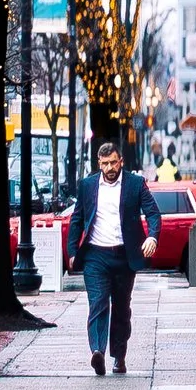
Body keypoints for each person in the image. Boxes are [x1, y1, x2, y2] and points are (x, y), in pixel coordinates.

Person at [65, 140, 164, 376]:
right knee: (98, 303)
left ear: (121, 161)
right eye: (105, 163)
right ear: (99, 163)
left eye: (114, 162)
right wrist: (71, 252)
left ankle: (119, 356)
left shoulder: (135, 184)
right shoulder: (87, 185)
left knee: (121, 308)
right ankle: (97, 351)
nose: (110, 167)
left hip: (124, 256)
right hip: (95, 256)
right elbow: (77, 220)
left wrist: (152, 238)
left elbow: (153, 213)